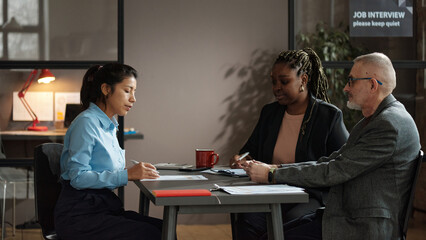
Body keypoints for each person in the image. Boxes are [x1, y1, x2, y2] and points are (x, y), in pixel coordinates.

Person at [243, 52, 421, 240]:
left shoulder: (388, 125)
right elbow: (332, 160)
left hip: (363, 227)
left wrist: (272, 174)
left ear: (372, 84)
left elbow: (335, 170)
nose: (345, 88)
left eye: (351, 81)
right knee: (268, 233)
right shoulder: (374, 121)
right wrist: (275, 169)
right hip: (347, 216)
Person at [230, 48, 349, 239]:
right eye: (274, 82)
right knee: (248, 220)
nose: (276, 87)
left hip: (309, 195)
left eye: (284, 81)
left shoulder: (328, 116)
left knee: (292, 223)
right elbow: (249, 150)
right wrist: (241, 158)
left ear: (303, 80)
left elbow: (342, 166)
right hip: (270, 192)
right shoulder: (270, 113)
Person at [54, 63, 162, 240]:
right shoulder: (87, 123)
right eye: (127, 91)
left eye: (134, 92)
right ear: (105, 89)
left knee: (162, 228)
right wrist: (127, 175)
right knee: (153, 234)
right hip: (80, 216)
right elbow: (78, 177)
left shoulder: (109, 125)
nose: (133, 98)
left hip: (102, 208)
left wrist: (133, 172)